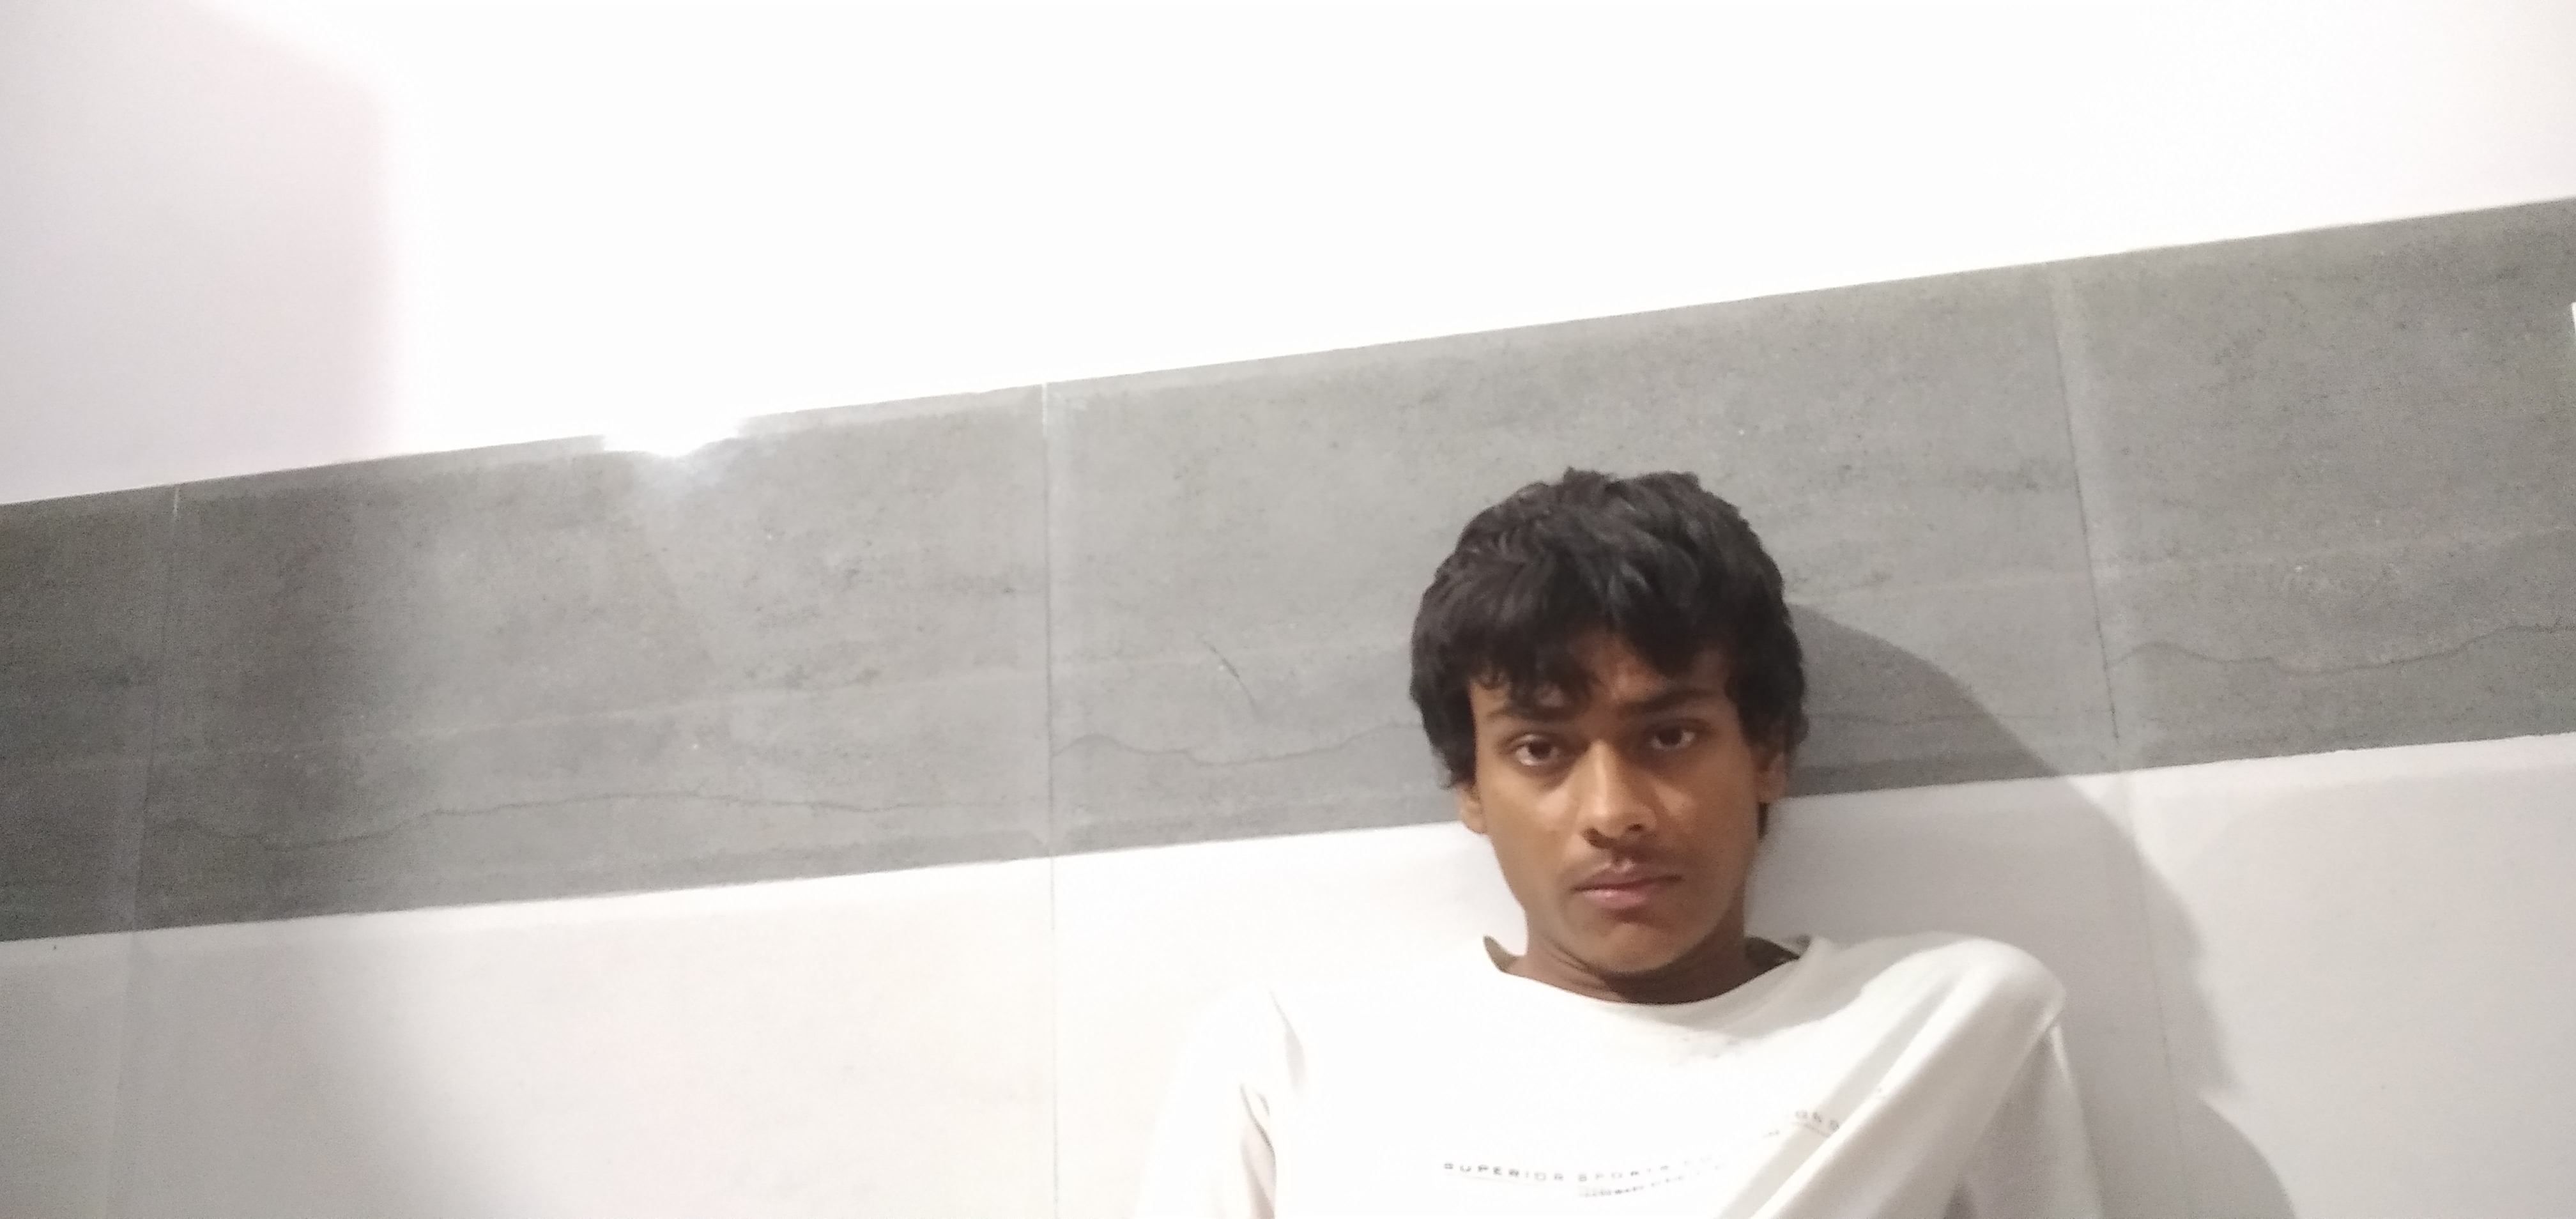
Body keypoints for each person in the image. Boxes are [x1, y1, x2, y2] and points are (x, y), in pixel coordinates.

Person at [1131, 470, 2104, 1218]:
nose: (1614, 812)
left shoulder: (1947, 1024)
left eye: (1669, 736)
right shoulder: (1286, 1060)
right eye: (1541, 749)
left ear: (1767, 753)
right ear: (1471, 786)